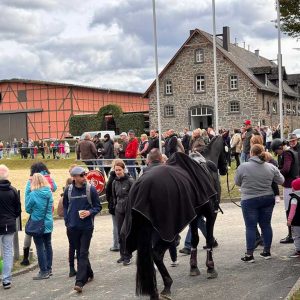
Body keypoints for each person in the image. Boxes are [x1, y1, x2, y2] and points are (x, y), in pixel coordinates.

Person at [235, 144, 284, 262]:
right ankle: (267, 251)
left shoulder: (243, 167)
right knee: (266, 225)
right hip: (267, 197)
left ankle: (249, 254)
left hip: (249, 199)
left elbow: (237, 182)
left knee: (250, 226)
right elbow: (281, 180)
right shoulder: (270, 167)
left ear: (251, 153)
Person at [63, 166, 101, 293]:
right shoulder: (68, 190)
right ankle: (89, 272)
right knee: (80, 251)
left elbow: (98, 206)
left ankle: (79, 281)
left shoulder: (91, 189)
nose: (85, 177)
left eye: (85, 175)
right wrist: (67, 223)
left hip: (86, 227)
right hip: (72, 228)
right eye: (82, 175)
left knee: (82, 253)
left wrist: (89, 212)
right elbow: (65, 208)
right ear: (74, 177)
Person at [20, 162, 57, 266]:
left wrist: (32, 208)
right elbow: (54, 187)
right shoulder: (49, 181)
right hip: (48, 214)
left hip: (36, 216)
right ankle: (49, 268)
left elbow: (28, 205)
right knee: (48, 244)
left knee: (37, 244)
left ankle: (42, 268)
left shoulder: (31, 182)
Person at [25, 173, 54, 279]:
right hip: (48, 222)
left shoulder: (33, 194)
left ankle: (43, 271)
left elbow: (28, 209)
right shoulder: (49, 192)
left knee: (40, 247)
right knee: (48, 245)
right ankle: (49, 268)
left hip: (37, 223)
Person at [271, 139, 299, 243]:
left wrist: (275, 171)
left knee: (289, 210)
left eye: (276, 151)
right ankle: (292, 234)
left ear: (280, 147)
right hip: (294, 183)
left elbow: (286, 169)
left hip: (289, 185)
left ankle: (291, 235)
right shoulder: (292, 151)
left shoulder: (287, 153)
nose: (276, 153)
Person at [0, 165, 21, 289]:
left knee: (7, 251)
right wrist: (12, 217)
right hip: (9, 223)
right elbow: (18, 208)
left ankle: (6, 277)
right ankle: (6, 279)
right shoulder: (12, 190)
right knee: (8, 251)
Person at [112, 159, 134, 265]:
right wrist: (115, 206)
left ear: (123, 169)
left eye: (119, 170)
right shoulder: (114, 182)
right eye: (116, 170)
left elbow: (135, 195)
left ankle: (128, 255)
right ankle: (122, 254)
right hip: (118, 210)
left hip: (128, 210)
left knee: (125, 233)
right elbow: (114, 196)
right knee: (119, 233)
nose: (118, 172)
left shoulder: (130, 180)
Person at [287, 178, 300, 257]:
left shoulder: (294, 198)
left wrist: (289, 220)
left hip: (296, 222)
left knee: (297, 237)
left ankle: (298, 250)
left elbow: (292, 211)